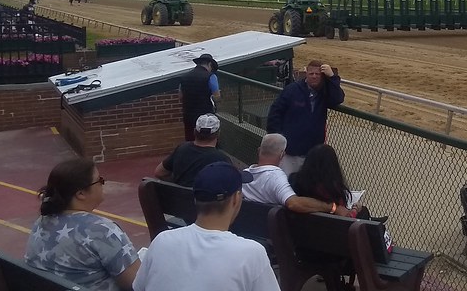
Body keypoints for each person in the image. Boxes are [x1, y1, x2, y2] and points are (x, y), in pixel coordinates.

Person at [133, 162, 280, 291]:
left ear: (196, 198)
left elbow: (138, 287)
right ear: (236, 198)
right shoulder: (252, 254)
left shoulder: (161, 241)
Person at [25, 158, 140, 291]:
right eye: (99, 180)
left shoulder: (41, 222)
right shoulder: (102, 230)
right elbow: (137, 283)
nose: (103, 184)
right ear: (80, 193)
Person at [266, 60, 344, 175]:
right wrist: (279, 138)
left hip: (312, 152)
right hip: (290, 152)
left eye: (317, 74)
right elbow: (275, 113)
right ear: (306, 73)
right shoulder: (292, 90)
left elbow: (337, 99)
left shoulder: (324, 93)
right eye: (311, 74)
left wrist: (332, 77)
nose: (314, 76)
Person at [241, 133, 349, 215]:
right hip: (270, 235)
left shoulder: (243, 176)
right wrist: (332, 207)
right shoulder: (277, 178)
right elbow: (294, 204)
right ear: (282, 154)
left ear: (259, 150)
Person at [289, 143, 380, 221]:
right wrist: (356, 209)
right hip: (329, 234)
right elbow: (346, 217)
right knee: (363, 212)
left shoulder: (294, 182)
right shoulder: (331, 190)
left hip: (299, 232)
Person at [154, 114, 232, 187]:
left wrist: (177, 186)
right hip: (206, 200)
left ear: (195, 131)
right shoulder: (222, 159)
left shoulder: (181, 149)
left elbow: (159, 172)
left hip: (178, 199)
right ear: (218, 134)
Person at [179, 53, 221, 141]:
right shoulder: (211, 77)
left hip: (188, 114)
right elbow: (217, 97)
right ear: (210, 64)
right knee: (206, 140)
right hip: (206, 116)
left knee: (190, 140)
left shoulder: (184, 77)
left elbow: (181, 96)